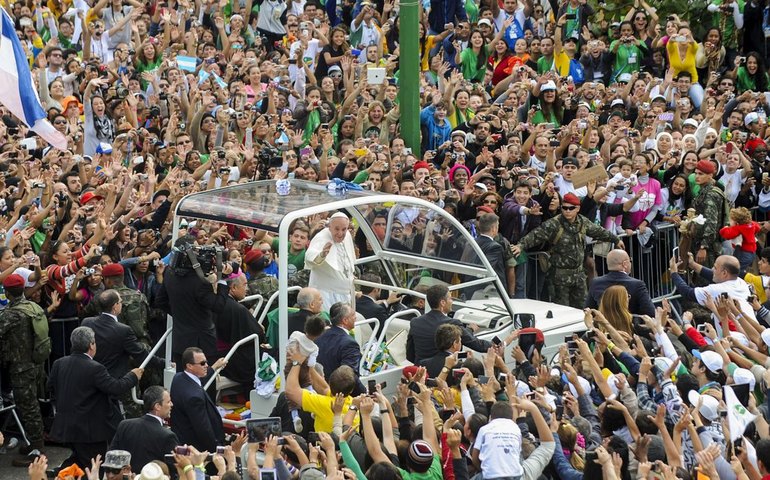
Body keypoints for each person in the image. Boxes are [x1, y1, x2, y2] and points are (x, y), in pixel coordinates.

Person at [48, 326, 143, 470]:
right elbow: (115, 388)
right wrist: (133, 376)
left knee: (77, 461)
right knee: (93, 466)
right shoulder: (95, 368)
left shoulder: (59, 364)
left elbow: (50, 387)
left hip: (66, 426)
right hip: (89, 431)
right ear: (91, 344)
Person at [512, 193, 623, 308]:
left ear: (578, 209)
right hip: (559, 278)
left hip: (579, 275)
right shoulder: (554, 224)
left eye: (571, 208)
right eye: (564, 208)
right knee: (563, 310)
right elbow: (535, 235)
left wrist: (616, 240)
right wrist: (520, 246)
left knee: (582, 309)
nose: (567, 211)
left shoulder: (582, 222)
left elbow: (599, 231)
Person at [81, 289, 164, 417]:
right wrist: (165, 363)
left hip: (92, 380)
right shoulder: (123, 330)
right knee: (129, 415)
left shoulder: (87, 322)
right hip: (117, 382)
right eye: (120, 302)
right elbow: (141, 354)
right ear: (115, 306)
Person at [156, 236, 233, 368]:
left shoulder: (169, 272)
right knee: (205, 384)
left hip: (180, 342)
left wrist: (181, 314)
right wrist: (222, 279)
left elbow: (160, 301)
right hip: (202, 346)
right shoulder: (200, 281)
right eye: (196, 251)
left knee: (183, 382)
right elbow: (218, 305)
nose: (199, 254)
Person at [0, 274, 49, 465]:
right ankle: (35, 443)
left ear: (7, 293)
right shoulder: (33, 307)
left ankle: (37, 450)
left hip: (21, 368)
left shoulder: (11, 314)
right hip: (36, 364)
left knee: (28, 408)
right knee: (32, 405)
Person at [406, 284, 493, 364]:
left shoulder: (415, 322)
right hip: (445, 372)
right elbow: (477, 344)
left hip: (421, 373)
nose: (452, 301)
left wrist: (469, 330)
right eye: (450, 298)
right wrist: (496, 345)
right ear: (442, 302)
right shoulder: (452, 324)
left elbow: (410, 355)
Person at [109, 386, 179, 473]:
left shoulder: (124, 425)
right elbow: (175, 470)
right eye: (168, 402)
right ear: (157, 406)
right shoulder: (167, 436)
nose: (171, 404)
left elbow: (112, 459)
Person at [169, 347, 226, 453]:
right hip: (199, 449)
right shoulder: (194, 397)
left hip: (182, 440)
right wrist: (217, 451)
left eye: (206, 362)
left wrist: (213, 368)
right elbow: (204, 430)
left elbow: (197, 381)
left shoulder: (178, 378)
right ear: (189, 366)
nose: (206, 366)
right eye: (202, 363)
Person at [670, 253, 756, 320]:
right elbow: (713, 275)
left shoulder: (718, 290)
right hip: (749, 332)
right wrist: (692, 264)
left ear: (724, 273)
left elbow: (688, 293)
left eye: (715, 267)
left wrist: (674, 272)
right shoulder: (741, 282)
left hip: (735, 338)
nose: (712, 269)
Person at [214, 272, 261, 387]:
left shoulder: (214, 302)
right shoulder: (238, 309)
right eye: (244, 285)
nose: (247, 289)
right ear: (233, 288)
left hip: (216, 355)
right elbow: (258, 333)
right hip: (231, 361)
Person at [305, 213, 356, 310]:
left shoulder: (348, 236)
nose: (340, 233)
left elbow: (348, 261)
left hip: (346, 294)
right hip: (326, 294)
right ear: (330, 227)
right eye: (337, 229)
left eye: (344, 229)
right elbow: (309, 257)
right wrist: (322, 255)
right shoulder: (321, 237)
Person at [585, 249, 655, 316]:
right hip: (629, 326)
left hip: (603, 326)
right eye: (630, 260)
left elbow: (589, 310)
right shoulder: (637, 284)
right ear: (624, 264)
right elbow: (650, 312)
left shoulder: (596, 282)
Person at [314, 302, 363, 388]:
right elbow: (349, 377)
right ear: (345, 320)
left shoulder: (318, 335)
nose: (355, 317)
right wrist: (365, 393)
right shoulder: (350, 344)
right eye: (353, 315)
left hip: (317, 388)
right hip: (338, 394)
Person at [691, 160, 727, 268]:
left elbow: (711, 222)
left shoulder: (711, 194)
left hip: (709, 247)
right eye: (696, 173)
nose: (697, 176)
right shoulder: (703, 191)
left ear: (710, 175)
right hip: (702, 242)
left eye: (701, 174)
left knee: (706, 279)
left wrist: (703, 247)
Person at [355, 272, 404, 338]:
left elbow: (369, 308)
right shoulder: (378, 310)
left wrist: (387, 302)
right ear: (376, 290)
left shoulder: (355, 303)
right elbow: (382, 336)